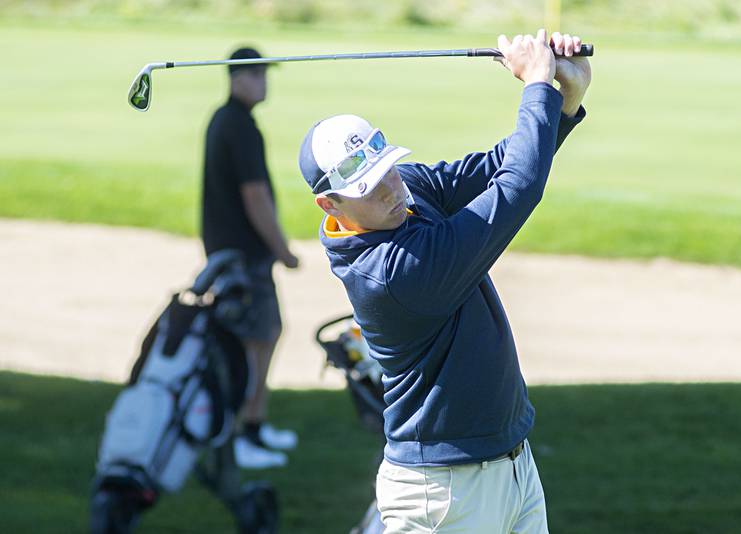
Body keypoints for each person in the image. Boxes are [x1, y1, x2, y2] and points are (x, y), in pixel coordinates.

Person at [298, 30, 591, 532]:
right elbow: (516, 189)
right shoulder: (392, 274)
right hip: (442, 496)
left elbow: (502, 163)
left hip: (513, 467)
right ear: (332, 205)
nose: (392, 189)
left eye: (388, 168)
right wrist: (537, 85)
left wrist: (565, 102)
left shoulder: (405, 192)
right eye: (369, 187)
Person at [202, 46, 300, 469]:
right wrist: (283, 249)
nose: (264, 82)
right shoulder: (240, 126)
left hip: (235, 253)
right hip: (244, 255)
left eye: (265, 74)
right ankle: (241, 435)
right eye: (256, 75)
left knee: (265, 334)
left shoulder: (230, 120)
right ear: (237, 78)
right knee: (252, 342)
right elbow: (255, 196)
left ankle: (254, 427)